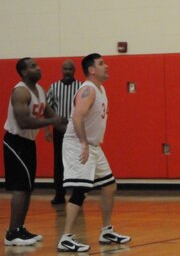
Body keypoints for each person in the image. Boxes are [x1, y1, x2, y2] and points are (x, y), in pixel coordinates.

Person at [57, 53, 131, 252]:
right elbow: (78, 116)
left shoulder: (101, 89)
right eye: (101, 63)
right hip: (78, 144)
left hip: (94, 145)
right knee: (80, 190)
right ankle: (66, 237)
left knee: (109, 186)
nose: (106, 66)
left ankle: (106, 231)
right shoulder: (88, 90)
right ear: (91, 69)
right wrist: (82, 143)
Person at [4, 57, 65, 246]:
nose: (38, 68)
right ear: (23, 72)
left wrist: (72, 132)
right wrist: (51, 122)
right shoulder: (20, 92)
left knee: (28, 187)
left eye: (38, 65)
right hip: (15, 142)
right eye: (33, 66)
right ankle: (12, 234)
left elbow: (53, 116)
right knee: (20, 188)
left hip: (28, 142)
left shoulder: (39, 91)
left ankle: (20, 228)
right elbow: (24, 122)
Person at [45, 59, 81, 205]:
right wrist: (47, 130)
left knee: (76, 161)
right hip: (59, 130)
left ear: (74, 70)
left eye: (70, 69)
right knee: (59, 162)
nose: (67, 72)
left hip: (76, 129)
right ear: (62, 70)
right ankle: (59, 194)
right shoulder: (54, 87)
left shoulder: (81, 87)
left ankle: (76, 194)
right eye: (65, 69)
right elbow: (47, 110)